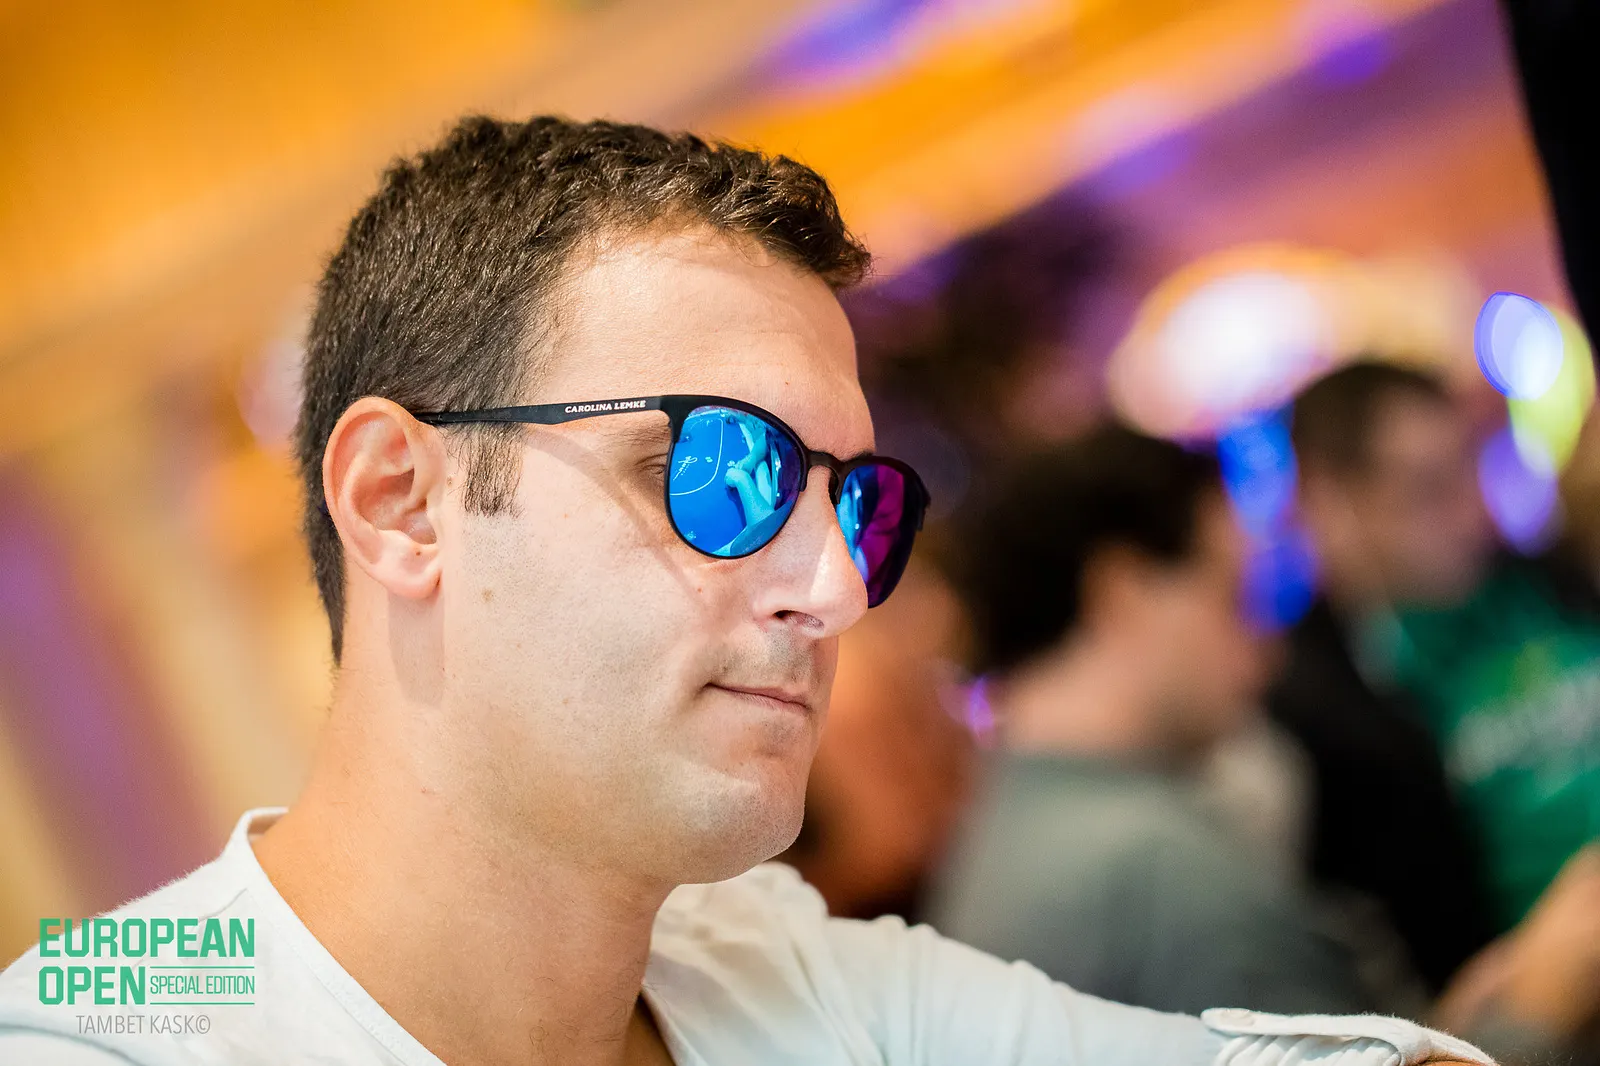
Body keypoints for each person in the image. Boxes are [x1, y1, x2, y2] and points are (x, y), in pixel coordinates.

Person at [0, 116, 1490, 1066]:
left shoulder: (764, 968)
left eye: (857, 501)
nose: (838, 586)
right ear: (402, 501)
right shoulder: (108, 1032)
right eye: (724, 470)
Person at [927, 426, 1373, 1015]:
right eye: (1234, 597)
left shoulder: (994, 830)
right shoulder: (1163, 872)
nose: (1263, 650)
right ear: (1124, 593)